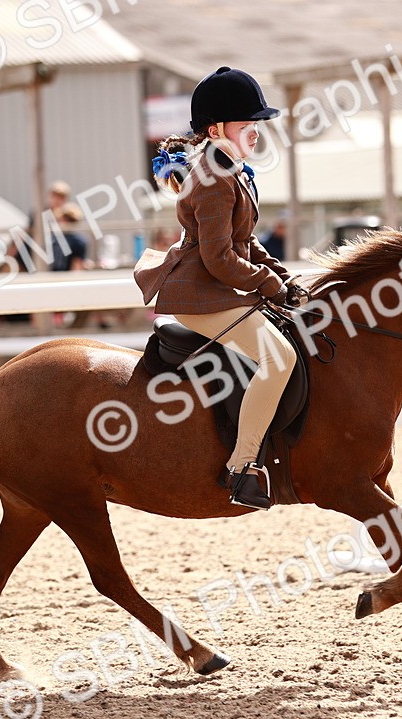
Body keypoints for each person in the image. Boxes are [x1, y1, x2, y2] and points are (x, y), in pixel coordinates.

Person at [134, 66, 306, 510]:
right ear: (215, 129)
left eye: (256, 124)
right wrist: (268, 284)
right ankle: (242, 467)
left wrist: (283, 277)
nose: (255, 131)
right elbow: (219, 259)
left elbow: (244, 245)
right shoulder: (214, 177)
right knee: (279, 357)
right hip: (200, 295)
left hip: (219, 289)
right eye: (247, 124)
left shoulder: (229, 168)